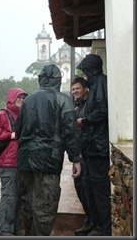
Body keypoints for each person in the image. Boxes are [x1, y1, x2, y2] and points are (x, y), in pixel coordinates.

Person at [16, 64, 82, 236]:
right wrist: (76, 159)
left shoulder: (28, 100)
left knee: (28, 204)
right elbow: (71, 132)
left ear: (41, 79)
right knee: (45, 206)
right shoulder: (63, 99)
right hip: (48, 161)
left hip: (25, 161)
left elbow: (18, 130)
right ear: (58, 80)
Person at [76, 54, 111, 236]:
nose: (85, 75)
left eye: (86, 72)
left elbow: (103, 110)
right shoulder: (96, 84)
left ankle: (105, 229)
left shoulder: (100, 83)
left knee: (100, 191)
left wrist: (85, 120)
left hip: (99, 147)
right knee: (90, 188)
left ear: (91, 70)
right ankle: (97, 225)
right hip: (92, 147)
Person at [0, 88, 28, 236]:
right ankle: (5, 231)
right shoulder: (3, 114)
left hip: (18, 163)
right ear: (11, 98)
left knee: (16, 198)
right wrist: (10, 135)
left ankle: (14, 229)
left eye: (23, 97)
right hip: (8, 163)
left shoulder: (22, 114)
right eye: (19, 97)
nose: (22, 99)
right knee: (9, 197)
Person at [71, 77, 93, 236]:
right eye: (73, 89)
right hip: (80, 153)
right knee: (79, 186)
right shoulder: (78, 105)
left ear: (85, 88)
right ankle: (89, 219)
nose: (75, 91)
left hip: (90, 152)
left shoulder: (91, 104)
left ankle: (93, 222)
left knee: (87, 188)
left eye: (77, 88)